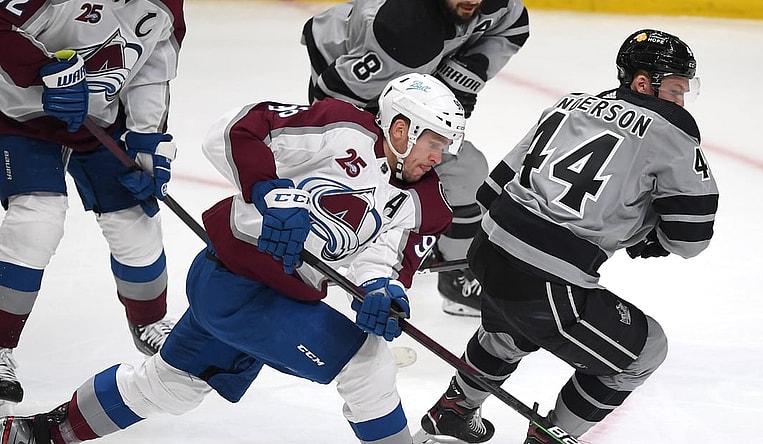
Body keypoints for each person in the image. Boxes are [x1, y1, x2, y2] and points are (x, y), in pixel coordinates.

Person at [0, 73, 466, 444]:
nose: (439, 156)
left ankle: (36, 432)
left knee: (172, 386)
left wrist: (383, 290)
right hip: (236, 285)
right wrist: (268, 190)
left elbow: (387, 257)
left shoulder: (427, 203)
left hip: (276, 300)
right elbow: (236, 129)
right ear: (401, 128)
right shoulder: (339, 127)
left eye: (445, 147)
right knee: (367, 365)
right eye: (435, 142)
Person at [413, 29, 719, 444]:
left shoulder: (571, 104)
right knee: (645, 351)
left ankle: (453, 411)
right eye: (677, 89)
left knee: (509, 328)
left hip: (488, 248)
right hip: (549, 281)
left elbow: (490, 190)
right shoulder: (672, 129)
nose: (681, 102)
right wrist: (650, 232)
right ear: (644, 83)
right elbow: (692, 238)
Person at [0, 0, 185, 409]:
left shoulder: (166, 5)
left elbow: (153, 67)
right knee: (37, 220)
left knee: (135, 221)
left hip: (100, 121)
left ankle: (150, 320)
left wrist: (147, 141)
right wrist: (39, 71)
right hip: (18, 117)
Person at [302, 0, 530, 317]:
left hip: (407, 71)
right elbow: (333, 102)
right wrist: (388, 146)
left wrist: (468, 72)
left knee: (465, 170)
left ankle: (455, 273)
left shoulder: (498, 5)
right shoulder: (402, 27)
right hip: (354, 85)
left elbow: (514, 28)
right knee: (379, 177)